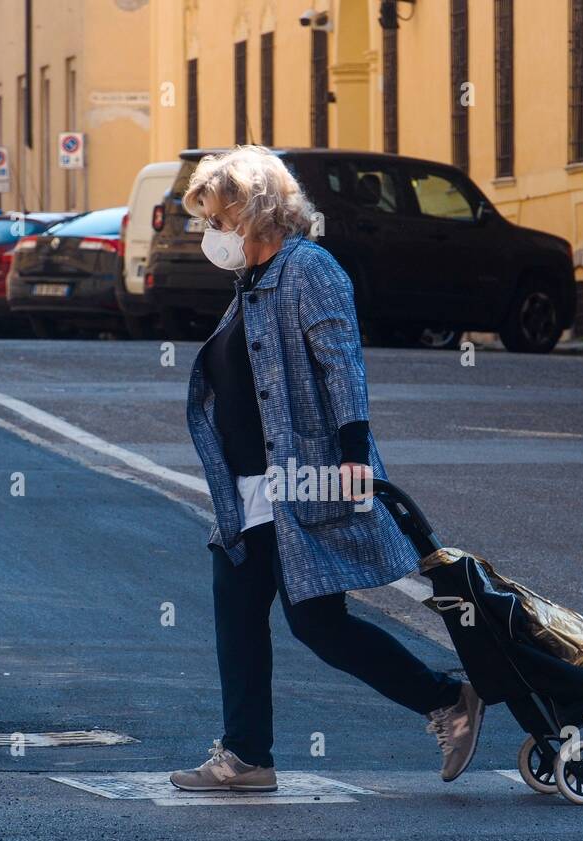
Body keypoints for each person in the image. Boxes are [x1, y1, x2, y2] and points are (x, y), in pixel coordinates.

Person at [170, 146, 483, 793]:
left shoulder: (308, 269)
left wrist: (351, 458)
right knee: (239, 608)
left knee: (317, 623)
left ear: (255, 212)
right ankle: (246, 755)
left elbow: (343, 364)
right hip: (250, 491)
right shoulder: (253, 282)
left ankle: (449, 698)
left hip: (301, 481)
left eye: (219, 217)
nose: (212, 234)